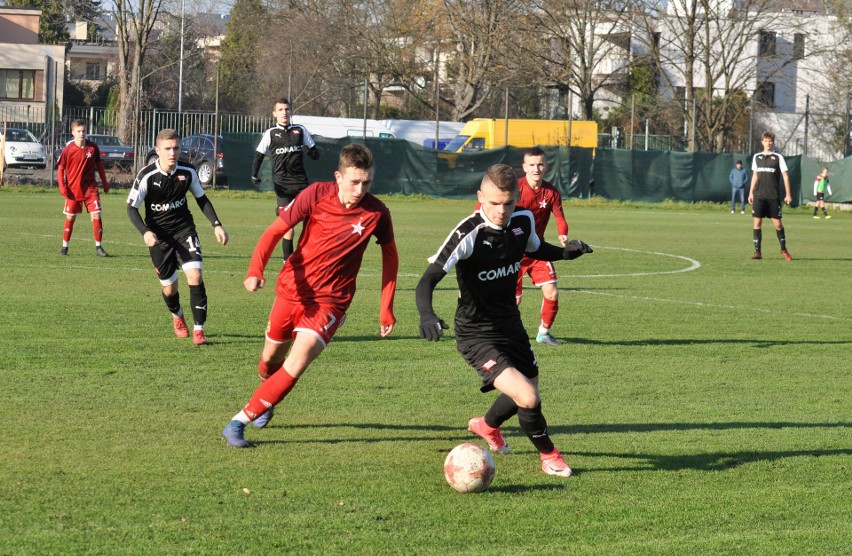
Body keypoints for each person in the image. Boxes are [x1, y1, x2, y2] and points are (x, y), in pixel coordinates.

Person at [415, 163, 593, 478]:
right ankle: (550, 457)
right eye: (494, 203)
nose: (501, 210)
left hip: (510, 324)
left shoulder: (522, 221)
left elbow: (538, 249)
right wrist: (427, 313)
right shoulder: (468, 232)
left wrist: (566, 254)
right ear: (480, 196)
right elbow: (427, 280)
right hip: (475, 332)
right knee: (527, 396)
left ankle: (486, 425)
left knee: (528, 388)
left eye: (508, 203)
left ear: (516, 199)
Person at [222, 144, 398, 447]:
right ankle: (267, 396)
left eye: (366, 182)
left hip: (332, 300)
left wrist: (386, 308)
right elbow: (275, 231)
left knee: (298, 360)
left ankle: (238, 421)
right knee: (269, 360)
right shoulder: (316, 194)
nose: (360, 189)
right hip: (293, 289)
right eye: (354, 181)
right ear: (338, 177)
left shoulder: (377, 213)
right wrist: (256, 270)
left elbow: (391, 258)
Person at [126, 129, 229, 345]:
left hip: (184, 231)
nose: (172, 153)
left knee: (195, 276)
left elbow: (202, 199)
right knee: (170, 288)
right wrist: (145, 232)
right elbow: (131, 208)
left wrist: (216, 224)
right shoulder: (146, 176)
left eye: (176, 148)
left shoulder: (188, 171)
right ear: (157, 151)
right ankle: (177, 315)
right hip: (159, 238)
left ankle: (199, 331)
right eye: (167, 149)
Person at [250, 98, 320, 260]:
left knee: (311, 220)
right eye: (280, 110)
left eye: (287, 109)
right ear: (274, 114)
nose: (284, 112)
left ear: (291, 112)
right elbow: (259, 155)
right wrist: (254, 173)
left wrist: (308, 151)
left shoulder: (300, 130)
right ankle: (287, 260)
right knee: (288, 225)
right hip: (282, 185)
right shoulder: (271, 133)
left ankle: (307, 254)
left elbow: (316, 155)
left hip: (301, 183)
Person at [515, 147, 570, 346]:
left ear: (545, 166)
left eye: (540, 164)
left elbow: (560, 217)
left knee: (552, 291)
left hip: (537, 250)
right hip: (514, 253)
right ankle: (500, 333)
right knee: (515, 301)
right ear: (524, 167)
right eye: (532, 165)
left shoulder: (551, 192)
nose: (536, 168)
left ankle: (543, 334)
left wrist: (563, 234)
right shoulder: (516, 188)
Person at [56, 119, 110, 257]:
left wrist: (105, 183)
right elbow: (61, 168)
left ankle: (99, 247)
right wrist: (62, 187)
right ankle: (64, 247)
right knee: (71, 218)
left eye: (84, 131)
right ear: (73, 132)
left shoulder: (92, 148)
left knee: (96, 214)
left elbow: (100, 166)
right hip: (73, 190)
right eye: (78, 131)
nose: (81, 134)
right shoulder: (68, 150)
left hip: (90, 189)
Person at [747, 131, 792, 261]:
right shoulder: (757, 157)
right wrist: (751, 192)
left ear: (773, 142)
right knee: (757, 222)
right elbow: (755, 175)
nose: (768, 143)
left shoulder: (778, 158)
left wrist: (788, 194)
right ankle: (757, 252)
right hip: (759, 195)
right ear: (762, 142)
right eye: (766, 140)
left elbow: (785, 176)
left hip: (773, 196)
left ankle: (783, 249)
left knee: (777, 224)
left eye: (770, 141)